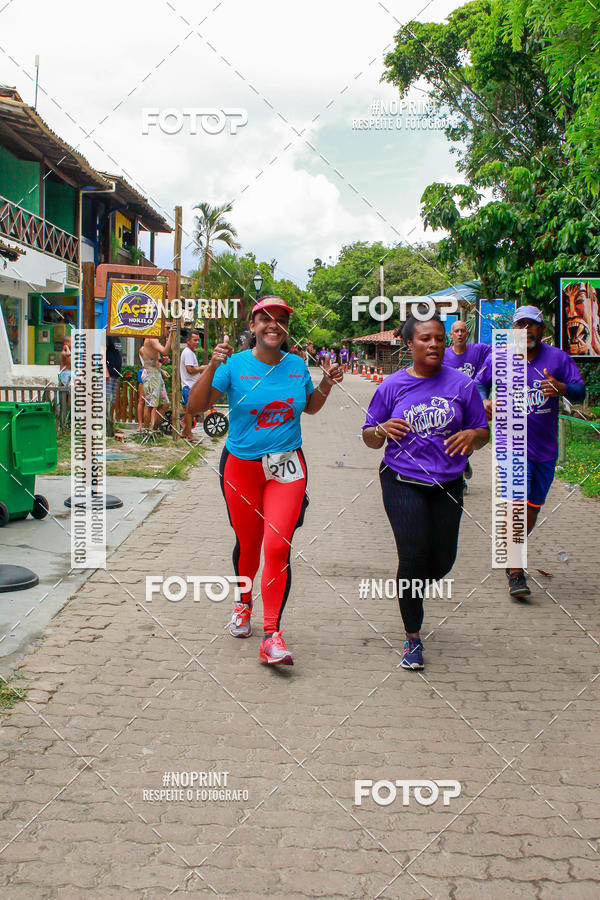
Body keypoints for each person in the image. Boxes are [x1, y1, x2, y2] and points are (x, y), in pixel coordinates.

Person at [187, 296, 343, 666]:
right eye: (265, 319)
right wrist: (211, 365)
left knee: (277, 546)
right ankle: (243, 603)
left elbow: (310, 406)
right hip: (241, 466)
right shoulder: (234, 365)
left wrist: (326, 384)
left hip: (288, 467)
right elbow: (194, 407)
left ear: (286, 327)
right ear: (253, 326)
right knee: (249, 542)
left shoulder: (296, 365)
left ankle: (272, 634)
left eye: (281, 319)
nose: (273, 325)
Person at [363, 314, 489, 670]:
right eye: (425, 339)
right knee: (414, 556)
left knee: (442, 562)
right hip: (401, 479)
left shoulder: (462, 386)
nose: (433, 344)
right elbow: (369, 437)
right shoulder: (392, 386)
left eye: (439, 339)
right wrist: (382, 430)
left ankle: (409, 588)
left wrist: (474, 437)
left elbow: (482, 432)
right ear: (409, 344)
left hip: (448, 484)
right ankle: (412, 637)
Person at [475, 305, 586, 600]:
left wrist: (561, 387)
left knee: (532, 511)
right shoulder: (499, 357)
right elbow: (477, 385)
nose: (526, 331)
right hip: (510, 445)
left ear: (541, 329)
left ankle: (512, 547)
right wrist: (484, 401)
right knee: (517, 505)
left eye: (532, 325)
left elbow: (580, 390)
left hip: (545, 449)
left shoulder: (558, 358)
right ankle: (515, 570)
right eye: (520, 325)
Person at [443, 320, 491, 483]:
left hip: (473, 404)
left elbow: (500, 352)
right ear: (451, 334)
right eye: (456, 331)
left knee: (470, 438)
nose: (460, 334)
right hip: (452, 405)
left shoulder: (479, 350)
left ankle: (465, 461)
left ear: (467, 334)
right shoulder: (444, 356)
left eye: (463, 331)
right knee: (454, 437)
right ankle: (459, 477)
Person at [142, 325, 175, 431]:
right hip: (150, 374)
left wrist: (161, 361)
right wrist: (171, 335)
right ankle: (146, 431)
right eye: (167, 328)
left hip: (156, 373)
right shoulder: (152, 338)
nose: (167, 331)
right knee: (150, 405)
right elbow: (165, 351)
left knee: (165, 404)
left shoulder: (155, 339)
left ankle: (153, 429)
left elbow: (155, 359)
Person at [180, 329, 205, 440]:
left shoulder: (190, 352)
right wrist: (202, 368)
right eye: (194, 340)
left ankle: (184, 431)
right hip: (189, 386)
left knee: (192, 410)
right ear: (188, 341)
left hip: (191, 386)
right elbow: (190, 370)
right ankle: (189, 435)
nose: (197, 342)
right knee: (191, 411)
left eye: (198, 340)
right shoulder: (188, 353)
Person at [105, 335, 122, 426]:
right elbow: (102, 353)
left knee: (113, 400)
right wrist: (105, 370)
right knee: (106, 399)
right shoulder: (107, 336)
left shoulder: (118, 338)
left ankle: (110, 423)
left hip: (115, 374)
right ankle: (103, 423)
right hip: (109, 373)